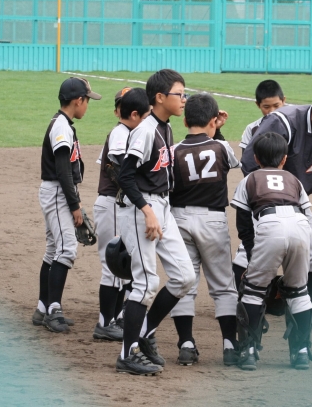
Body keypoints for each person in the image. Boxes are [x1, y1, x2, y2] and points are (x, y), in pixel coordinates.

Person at [239, 89, 312, 328]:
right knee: (252, 251)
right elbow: (250, 162)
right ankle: (245, 307)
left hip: (298, 202)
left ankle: (305, 307)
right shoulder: (283, 122)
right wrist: (262, 199)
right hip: (265, 201)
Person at [114, 69, 196, 375]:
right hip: (141, 209)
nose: (184, 99)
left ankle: (145, 332)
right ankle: (127, 354)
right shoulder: (145, 130)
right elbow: (125, 176)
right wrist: (147, 211)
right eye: (179, 94)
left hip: (161, 206)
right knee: (147, 283)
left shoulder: (166, 127)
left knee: (184, 277)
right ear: (160, 97)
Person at [231, 132, 312, 371]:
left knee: (253, 290)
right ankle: (301, 352)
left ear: (256, 158)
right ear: (284, 158)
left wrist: (251, 256)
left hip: (269, 226)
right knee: (298, 291)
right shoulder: (294, 180)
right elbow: (306, 214)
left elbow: (244, 225)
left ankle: (248, 351)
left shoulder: (249, 179)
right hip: (300, 226)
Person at [168, 93, 240, 366]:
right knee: (223, 286)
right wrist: (217, 130)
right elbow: (232, 162)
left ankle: (186, 343)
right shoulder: (221, 147)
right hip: (213, 220)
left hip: (179, 219)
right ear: (213, 120)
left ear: (185, 121)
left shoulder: (173, 151)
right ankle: (230, 345)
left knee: (185, 284)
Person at [33, 77, 101, 333]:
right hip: (58, 192)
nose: (87, 106)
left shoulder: (62, 123)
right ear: (77, 101)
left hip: (56, 191)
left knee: (54, 249)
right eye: (87, 101)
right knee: (66, 249)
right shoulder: (61, 127)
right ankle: (54, 310)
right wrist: (74, 205)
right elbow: (63, 171)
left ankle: (43, 308)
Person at [92, 87, 150, 341]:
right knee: (112, 265)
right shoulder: (120, 132)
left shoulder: (130, 132)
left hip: (118, 204)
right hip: (112, 203)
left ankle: (114, 318)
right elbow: (116, 166)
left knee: (122, 266)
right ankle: (105, 323)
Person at [233, 80, 286, 288]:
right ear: (258, 105)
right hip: (262, 196)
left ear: (284, 101)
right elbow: (247, 164)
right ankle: (244, 293)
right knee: (251, 243)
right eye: (266, 107)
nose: (271, 111)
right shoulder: (252, 128)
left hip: (287, 194)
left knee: (303, 249)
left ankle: (291, 296)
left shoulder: (291, 125)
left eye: (276, 106)